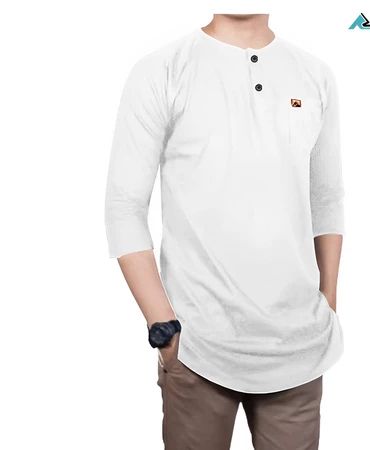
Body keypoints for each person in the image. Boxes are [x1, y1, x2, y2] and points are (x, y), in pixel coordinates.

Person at [105, 13, 345, 450]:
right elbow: (124, 208)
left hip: (298, 348)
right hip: (197, 348)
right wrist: (164, 328)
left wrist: (328, 302)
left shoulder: (314, 74)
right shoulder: (163, 69)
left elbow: (326, 199)